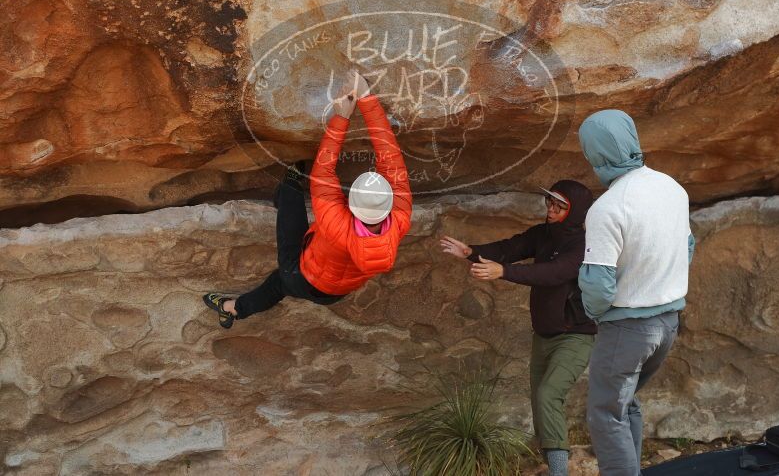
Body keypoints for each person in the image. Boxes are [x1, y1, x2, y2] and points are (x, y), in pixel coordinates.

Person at [203, 72, 412, 327]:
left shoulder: (336, 221)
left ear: (352, 203)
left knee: (291, 192)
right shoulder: (399, 220)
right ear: (389, 202)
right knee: (278, 284)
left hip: (302, 275)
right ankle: (232, 309)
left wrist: (344, 113)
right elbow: (391, 158)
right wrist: (367, 99)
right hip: (336, 293)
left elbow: (323, 170)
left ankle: (232, 307)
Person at [440, 180, 597, 476]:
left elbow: (553, 273)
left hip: (574, 336)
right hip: (544, 335)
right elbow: (508, 247)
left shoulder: (581, 244)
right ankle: (552, 465)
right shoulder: (542, 234)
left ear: (574, 212)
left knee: (549, 394)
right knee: (540, 402)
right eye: (549, 202)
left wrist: (504, 272)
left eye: (560, 205)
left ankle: (560, 473)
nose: (551, 208)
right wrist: (471, 253)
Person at [577, 109, 695, 476]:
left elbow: (598, 284)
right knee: (625, 402)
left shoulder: (607, 208)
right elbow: (688, 246)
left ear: (593, 154)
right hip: (669, 322)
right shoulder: (672, 188)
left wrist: (595, 315)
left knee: (605, 413)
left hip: (627, 328)